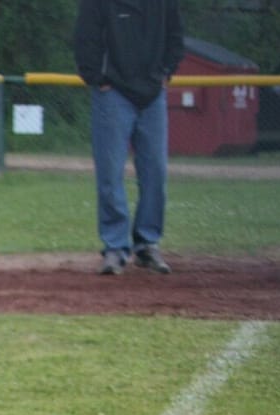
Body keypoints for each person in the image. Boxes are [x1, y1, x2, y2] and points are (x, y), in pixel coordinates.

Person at [73, 0, 184, 276]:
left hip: (152, 93)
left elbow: (176, 35)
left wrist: (166, 71)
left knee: (155, 172)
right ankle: (114, 248)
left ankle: (147, 244)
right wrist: (97, 78)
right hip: (113, 94)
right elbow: (84, 37)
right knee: (110, 173)